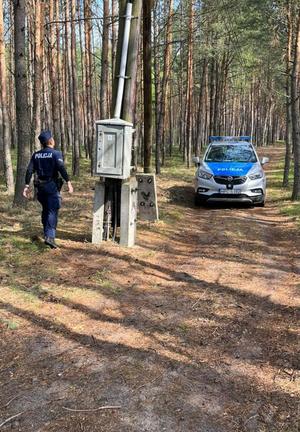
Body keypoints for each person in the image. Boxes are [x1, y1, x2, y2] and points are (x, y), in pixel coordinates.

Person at [23, 130, 73, 249]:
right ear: (50, 141)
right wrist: (69, 182)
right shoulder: (56, 154)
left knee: (46, 209)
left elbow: (29, 170)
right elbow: (61, 168)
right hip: (51, 186)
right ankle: (50, 237)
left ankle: (46, 233)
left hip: (39, 188)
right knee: (52, 210)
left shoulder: (36, 155)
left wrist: (26, 186)